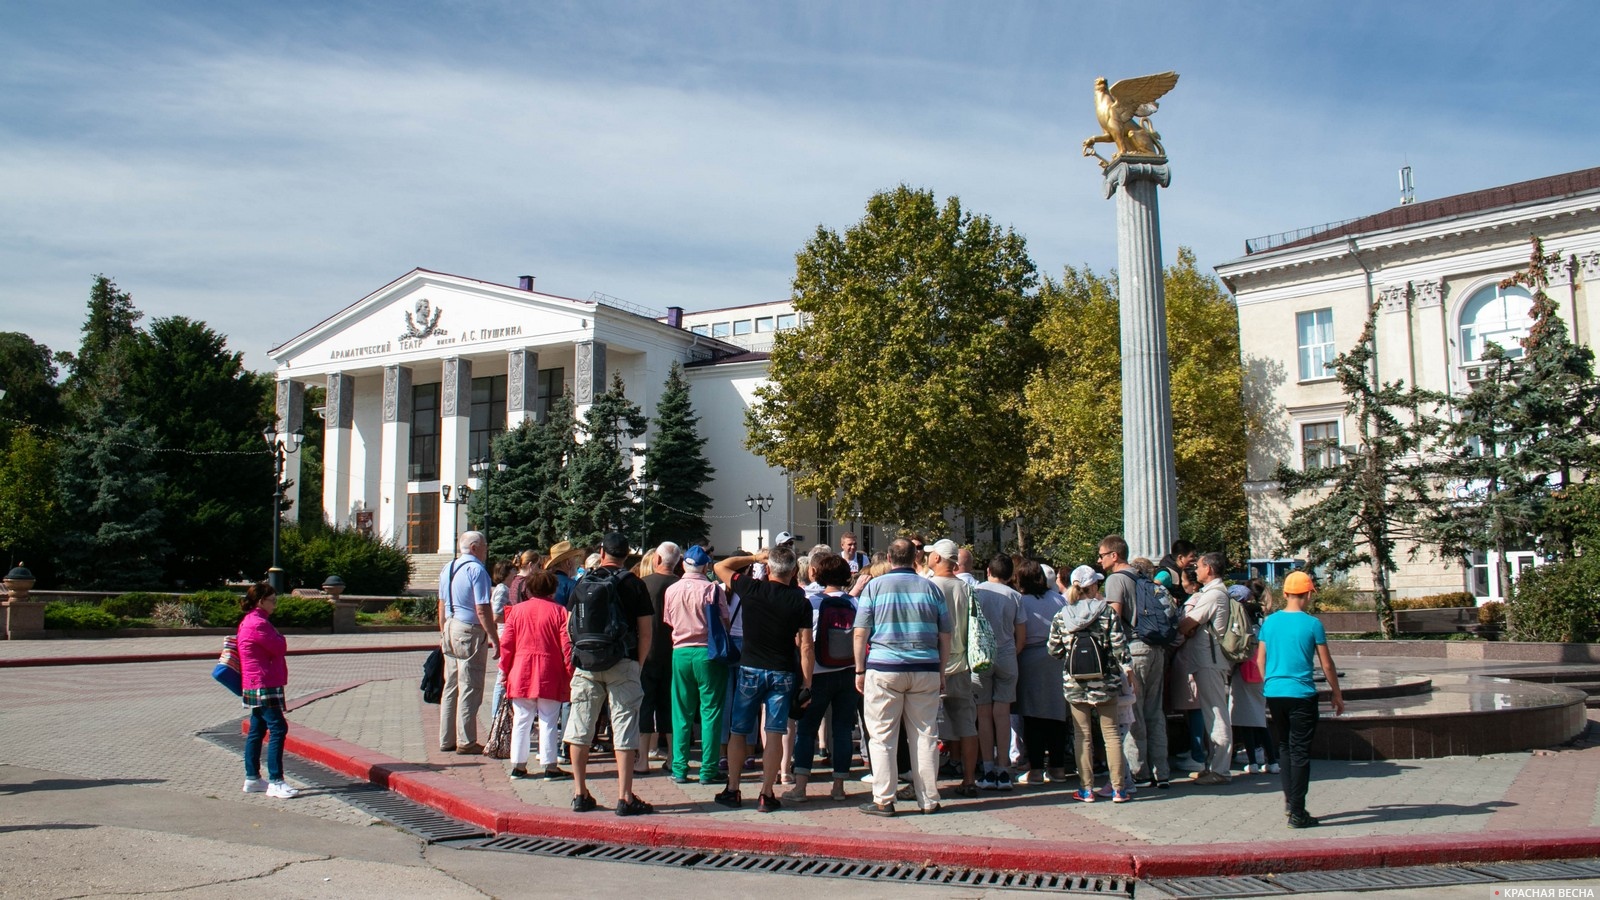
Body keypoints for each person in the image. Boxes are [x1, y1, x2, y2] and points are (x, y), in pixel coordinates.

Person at [711, 546, 814, 812]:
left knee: (738, 731)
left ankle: (733, 788)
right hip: (782, 671)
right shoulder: (800, 601)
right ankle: (766, 793)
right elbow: (805, 646)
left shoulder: (751, 589)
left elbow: (721, 566)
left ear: (768, 569)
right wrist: (807, 683)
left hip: (751, 668)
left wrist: (755, 557)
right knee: (775, 732)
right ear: (793, 572)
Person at [854, 537, 951, 817]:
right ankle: (929, 799)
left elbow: (861, 631)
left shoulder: (874, 587)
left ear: (888, 557)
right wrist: (941, 670)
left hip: (885, 667)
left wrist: (860, 668)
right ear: (914, 558)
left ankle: (884, 798)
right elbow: (945, 634)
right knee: (925, 734)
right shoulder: (931, 589)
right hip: (925, 668)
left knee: (882, 736)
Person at [564, 533, 656, 816]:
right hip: (622, 660)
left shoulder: (584, 581)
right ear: (626, 555)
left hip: (587, 662)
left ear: (602, 552)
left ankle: (580, 793)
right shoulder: (634, 584)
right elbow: (646, 631)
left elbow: (569, 625)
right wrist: (637, 665)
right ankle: (624, 796)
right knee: (624, 725)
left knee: (580, 727)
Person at [1258, 570, 1344, 828]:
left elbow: (1260, 660)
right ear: (1307, 595)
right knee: (1300, 752)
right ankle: (1298, 812)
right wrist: (1337, 694)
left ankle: (1289, 802)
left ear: (1284, 593)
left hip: (1275, 692)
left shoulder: (1269, 622)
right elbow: (1327, 664)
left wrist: (1269, 684)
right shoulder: (1312, 624)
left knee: (1284, 746)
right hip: (1302, 695)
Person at [1048, 565, 1132, 803]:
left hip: (1075, 683)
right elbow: (1119, 647)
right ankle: (1118, 788)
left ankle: (1086, 789)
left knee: (1081, 735)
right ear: (1093, 586)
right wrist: (1128, 668)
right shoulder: (1106, 613)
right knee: (1112, 734)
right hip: (1105, 681)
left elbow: (1053, 650)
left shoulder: (1062, 615)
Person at [785, 553, 859, 803]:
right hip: (848, 673)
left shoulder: (812, 603)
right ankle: (839, 787)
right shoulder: (854, 603)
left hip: (817, 675)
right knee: (842, 731)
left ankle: (801, 787)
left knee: (806, 730)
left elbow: (801, 640)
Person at [1101, 536, 1171, 790]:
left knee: (1134, 712)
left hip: (1133, 649)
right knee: (1155, 710)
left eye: (1102, 555)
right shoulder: (1142, 577)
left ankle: (1139, 771)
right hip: (1156, 649)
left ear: (1114, 555)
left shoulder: (1116, 580)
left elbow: (1113, 619)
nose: (1100, 560)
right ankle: (1161, 770)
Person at [662, 545, 731, 784]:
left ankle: (679, 767)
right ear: (705, 566)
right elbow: (725, 621)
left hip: (680, 652)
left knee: (681, 711)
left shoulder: (672, 589)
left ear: (684, 564)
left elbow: (669, 621)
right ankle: (708, 769)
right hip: (708, 653)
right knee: (711, 711)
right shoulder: (713, 589)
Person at [499, 568, 574, 780]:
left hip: (521, 670)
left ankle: (518, 765)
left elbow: (507, 645)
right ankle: (550, 766)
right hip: (550, 671)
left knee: (522, 719)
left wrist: (504, 671)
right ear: (552, 588)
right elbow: (566, 646)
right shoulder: (559, 611)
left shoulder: (517, 611)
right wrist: (570, 671)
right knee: (549, 720)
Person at [925, 538, 980, 798]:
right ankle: (969, 780)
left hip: (935, 664)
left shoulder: (929, 586)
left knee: (926, 728)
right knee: (967, 724)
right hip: (963, 663)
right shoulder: (967, 588)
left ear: (937, 558)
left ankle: (927, 784)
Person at [1174, 551, 1234, 785]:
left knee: (1216, 713)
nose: (1195, 570)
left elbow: (1187, 624)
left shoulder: (1213, 594)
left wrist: (1183, 626)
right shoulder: (1215, 593)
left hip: (1210, 660)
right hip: (1206, 660)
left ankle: (1220, 770)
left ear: (1209, 569)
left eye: (1198, 566)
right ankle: (1213, 765)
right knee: (1212, 712)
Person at [438, 531, 498, 755]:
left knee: (451, 685)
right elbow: (482, 608)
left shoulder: (449, 568)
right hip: (469, 630)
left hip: (450, 626)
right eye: (484, 546)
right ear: (474, 548)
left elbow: (442, 604)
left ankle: (446, 739)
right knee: (470, 685)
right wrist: (493, 637)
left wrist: (443, 629)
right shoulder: (477, 570)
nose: (486, 551)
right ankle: (467, 740)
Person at [238, 581, 298, 799]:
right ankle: (276, 781)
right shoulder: (258, 623)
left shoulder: (253, 621)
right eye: (272, 600)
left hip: (256, 682)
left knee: (257, 729)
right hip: (264, 683)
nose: (275, 605)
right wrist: (281, 638)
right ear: (261, 601)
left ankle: (252, 778)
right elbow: (280, 646)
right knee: (278, 728)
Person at [972, 554, 1025, 791]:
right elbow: (1020, 633)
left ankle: (987, 767)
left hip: (981, 655)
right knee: (1002, 714)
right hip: (1006, 653)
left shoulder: (976, 591)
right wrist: (1012, 652)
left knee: (983, 715)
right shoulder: (1014, 596)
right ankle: (1004, 769)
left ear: (987, 570)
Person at [1013, 558, 1068, 784]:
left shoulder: (1021, 601)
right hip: (1057, 659)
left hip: (1029, 658)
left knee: (1032, 717)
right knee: (1057, 715)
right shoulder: (1058, 599)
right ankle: (1058, 767)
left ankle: (1035, 769)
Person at [637, 541, 681, 773]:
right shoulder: (681, 585)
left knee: (645, 705)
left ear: (657, 560)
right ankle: (673, 757)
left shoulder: (643, 585)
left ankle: (642, 759)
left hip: (647, 653)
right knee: (670, 706)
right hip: (675, 653)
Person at [1229, 582, 1277, 775]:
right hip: (1261, 671)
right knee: (1258, 718)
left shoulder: (1241, 620)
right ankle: (1271, 760)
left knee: (1246, 719)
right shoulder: (1264, 620)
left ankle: (1254, 761)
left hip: (1245, 671)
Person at [487, 558, 517, 727]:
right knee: (502, 676)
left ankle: (500, 715)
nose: (515, 574)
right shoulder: (502, 589)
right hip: (504, 632)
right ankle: (496, 715)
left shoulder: (506, 589)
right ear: (505, 573)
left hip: (506, 632)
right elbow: (496, 614)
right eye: (513, 571)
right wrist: (516, 615)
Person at [546, 541, 584, 607]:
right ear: (568, 563)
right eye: (574, 560)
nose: (576, 563)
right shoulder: (572, 585)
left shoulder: (544, 582)